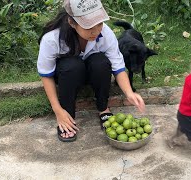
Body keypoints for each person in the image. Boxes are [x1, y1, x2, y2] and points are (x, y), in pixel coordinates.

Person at [37, 0, 145, 142]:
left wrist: (129, 92)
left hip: (91, 71)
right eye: (88, 27)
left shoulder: (105, 33)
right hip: (68, 74)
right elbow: (46, 75)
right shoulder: (52, 39)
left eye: (99, 23)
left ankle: (103, 108)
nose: (96, 31)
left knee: (101, 61)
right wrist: (57, 110)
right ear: (72, 22)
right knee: (72, 65)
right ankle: (66, 114)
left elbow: (117, 66)